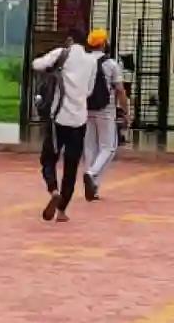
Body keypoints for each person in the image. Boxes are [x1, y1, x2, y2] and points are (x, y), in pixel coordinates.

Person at [31, 31, 96, 222]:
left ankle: (53, 190)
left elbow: (37, 65)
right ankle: (62, 211)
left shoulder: (62, 53)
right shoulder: (92, 61)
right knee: (71, 166)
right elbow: (89, 90)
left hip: (58, 118)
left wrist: (54, 68)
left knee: (48, 159)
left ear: (70, 40)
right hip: (79, 120)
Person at [81, 29, 128, 202]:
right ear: (103, 44)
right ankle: (91, 174)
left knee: (90, 147)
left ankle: (93, 188)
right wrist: (126, 111)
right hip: (105, 110)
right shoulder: (111, 64)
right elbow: (120, 90)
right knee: (108, 147)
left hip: (86, 109)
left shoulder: (84, 62)